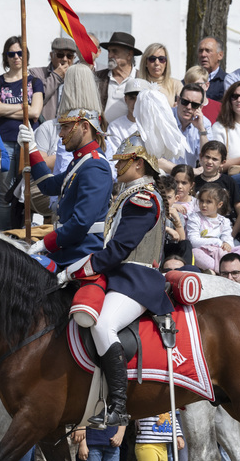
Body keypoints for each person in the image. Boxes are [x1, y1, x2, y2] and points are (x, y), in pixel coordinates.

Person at [63, 132, 172, 429]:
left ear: (138, 163)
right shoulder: (129, 194)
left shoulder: (142, 198)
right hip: (121, 277)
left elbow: (119, 249)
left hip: (136, 279)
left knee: (102, 323)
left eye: (122, 162)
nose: (117, 167)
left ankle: (119, 406)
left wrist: (78, 268)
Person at [22, 107, 114, 266]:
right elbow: (48, 185)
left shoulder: (95, 166)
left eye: (66, 127)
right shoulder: (81, 162)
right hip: (69, 250)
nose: (60, 134)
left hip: (82, 253)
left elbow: (81, 222)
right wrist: (31, 148)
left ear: (85, 127)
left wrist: (45, 243)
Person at [0, 35, 44, 157]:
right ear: (6, 57)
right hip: (2, 140)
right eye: (11, 54)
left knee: (28, 176)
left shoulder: (35, 82)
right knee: (2, 175)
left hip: (29, 141)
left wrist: (3, 111)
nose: (16, 57)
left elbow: (35, 113)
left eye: (20, 53)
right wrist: (24, 106)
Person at [186, 184, 240, 272]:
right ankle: (228, 269)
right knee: (195, 253)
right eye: (201, 201)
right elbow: (193, 241)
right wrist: (216, 242)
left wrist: (227, 244)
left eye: (208, 202)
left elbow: (228, 238)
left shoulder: (224, 221)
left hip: (222, 253)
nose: (204, 205)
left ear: (219, 204)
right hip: (205, 252)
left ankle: (222, 269)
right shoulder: (195, 217)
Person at [96, 31, 140, 125]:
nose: (110, 55)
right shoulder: (98, 77)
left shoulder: (141, 79)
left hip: (132, 136)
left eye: (115, 51)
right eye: (109, 51)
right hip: (103, 136)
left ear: (129, 55)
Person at [197, 36, 227, 101]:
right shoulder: (189, 80)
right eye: (200, 51)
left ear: (220, 55)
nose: (203, 54)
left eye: (208, 51)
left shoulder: (227, 81)